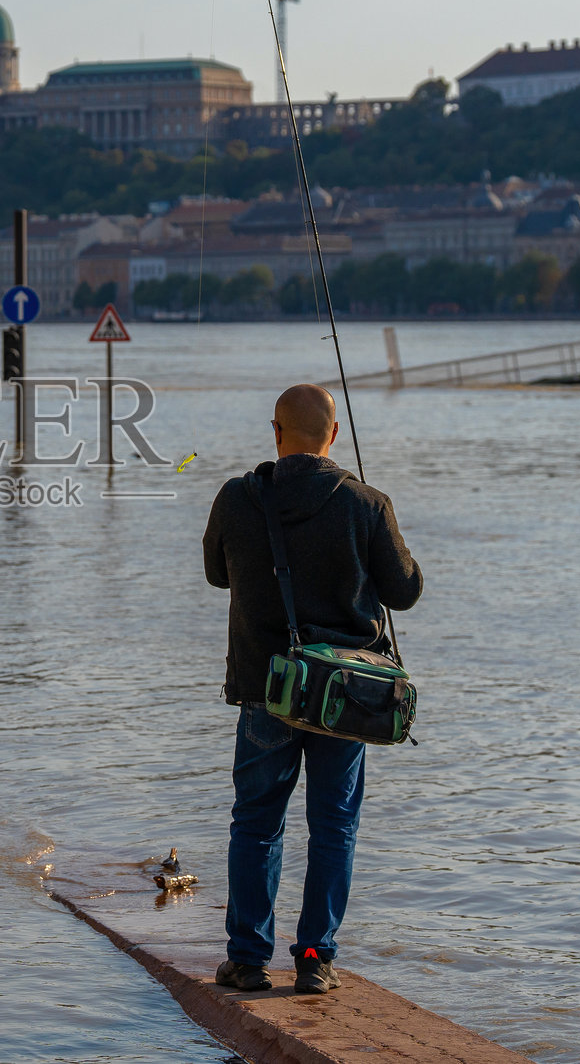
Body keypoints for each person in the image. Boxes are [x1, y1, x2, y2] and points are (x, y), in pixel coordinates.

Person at [202, 383, 423, 996]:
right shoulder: (366, 503)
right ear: (333, 435)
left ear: (276, 432)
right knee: (333, 828)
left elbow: (217, 573)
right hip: (344, 698)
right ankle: (313, 961)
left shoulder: (237, 497)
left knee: (256, 823)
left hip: (266, 690)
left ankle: (246, 961)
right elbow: (404, 591)